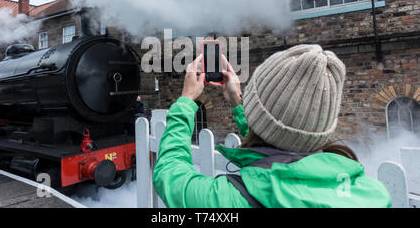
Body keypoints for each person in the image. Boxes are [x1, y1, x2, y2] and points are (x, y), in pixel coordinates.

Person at [153, 44, 391, 208]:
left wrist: (185, 101)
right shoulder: (375, 194)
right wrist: (237, 102)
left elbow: (170, 174)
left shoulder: (232, 200)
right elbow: (278, 138)